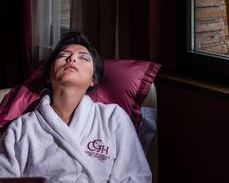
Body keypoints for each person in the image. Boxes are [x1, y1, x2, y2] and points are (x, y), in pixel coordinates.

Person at [0, 32, 151, 182]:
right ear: (47, 76)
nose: (71, 59)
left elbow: (136, 176)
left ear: (93, 79)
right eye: (62, 56)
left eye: (84, 58)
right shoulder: (20, 129)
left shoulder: (113, 118)